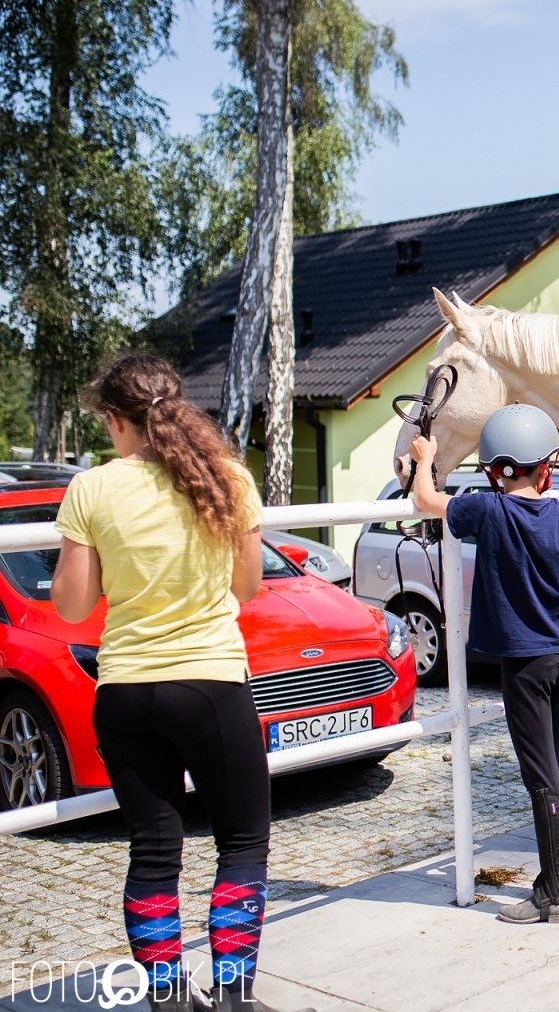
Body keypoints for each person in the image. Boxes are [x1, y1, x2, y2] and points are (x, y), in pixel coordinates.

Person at [52, 354, 310, 1012]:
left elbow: (74, 607)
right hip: (210, 686)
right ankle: (230, 998)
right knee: (243, 840)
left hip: (126, 690)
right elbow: (247, 586)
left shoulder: (92, 489)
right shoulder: (227, 478)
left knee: (154, 848)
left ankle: (167, 999)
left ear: (115, 420)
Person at [407, 404, 559, 924]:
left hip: (524, 664)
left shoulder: (488, 510)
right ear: (549, 468)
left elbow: (426, 501)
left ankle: (554, 894)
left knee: (540, 775)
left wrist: (426, 456)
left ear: (494, 469)